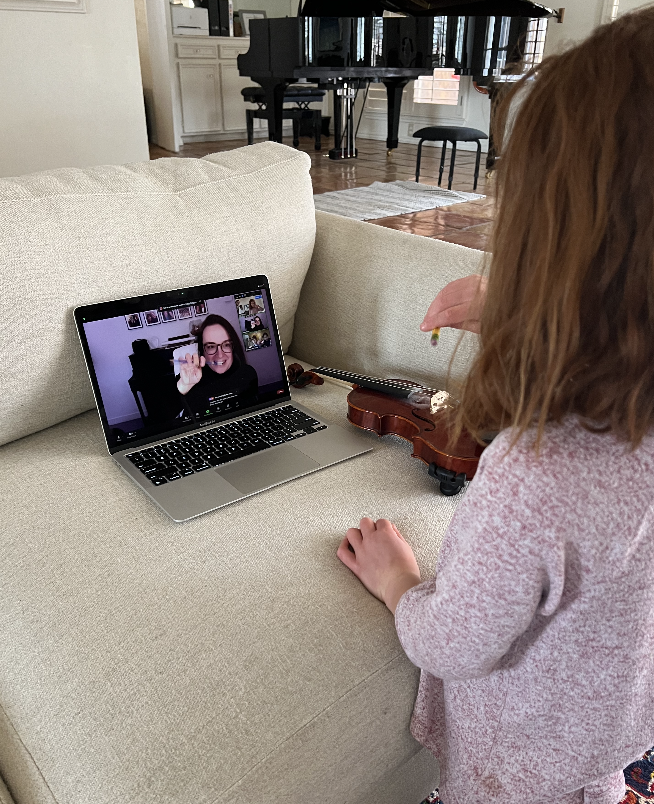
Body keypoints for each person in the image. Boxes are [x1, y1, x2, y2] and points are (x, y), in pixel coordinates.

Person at [337, 10, 654, 804]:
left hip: (514, 763)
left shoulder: (534, 476)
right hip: (613, 721)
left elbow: (457, 643)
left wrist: (400, 584)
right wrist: (523, 303)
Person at [177, 314, 257, 418]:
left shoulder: (247, 374)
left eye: (226, 344)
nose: (219, 354)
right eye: (211, 346)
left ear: (233, 347)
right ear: (202, 350)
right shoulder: (190, 377)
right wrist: (183, 387)